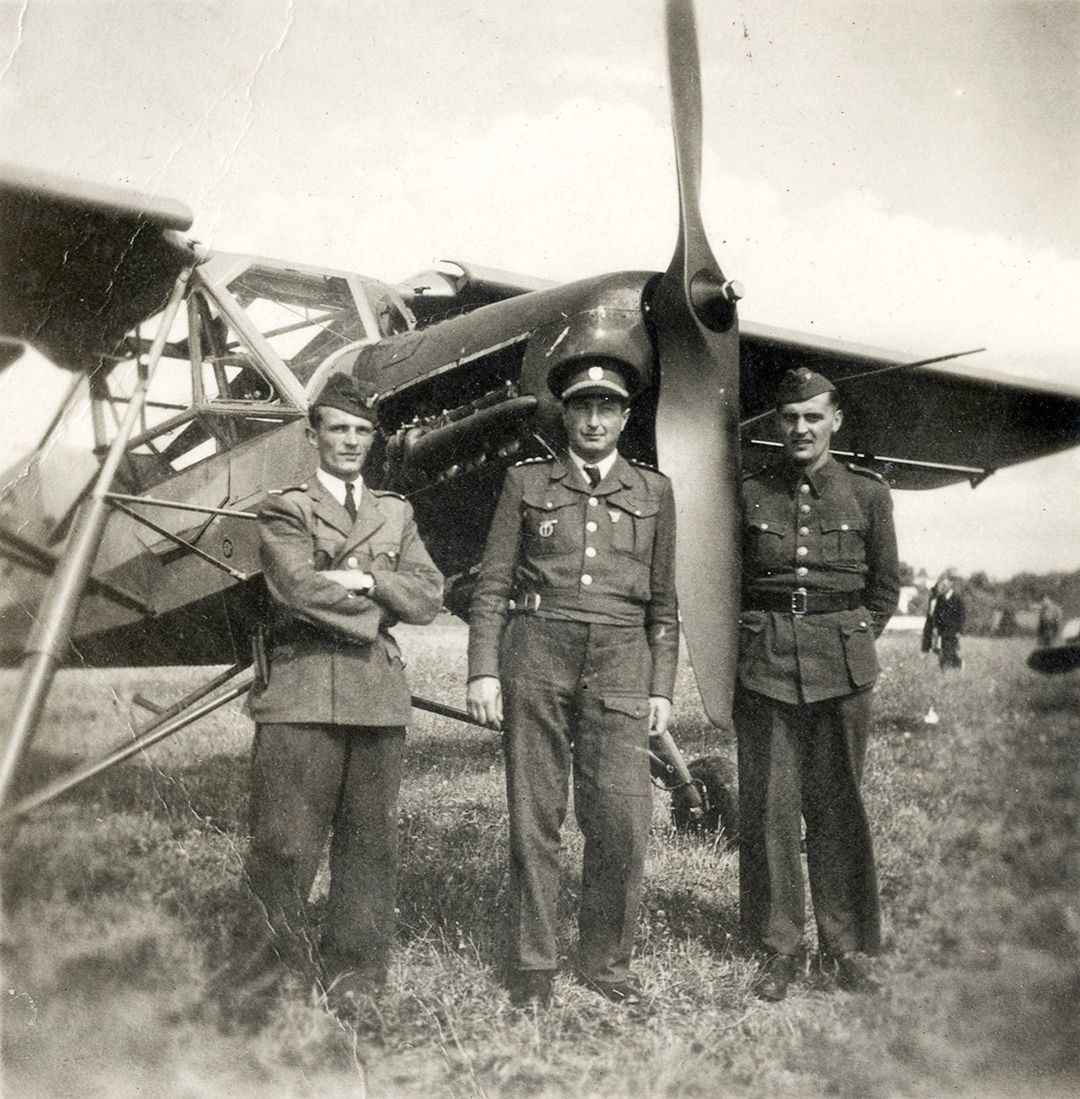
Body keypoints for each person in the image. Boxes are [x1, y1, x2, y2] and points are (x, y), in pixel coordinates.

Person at [223, 372, 443, 1019]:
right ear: (313, 434)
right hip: (302, 692)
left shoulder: (395, 512)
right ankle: (256, 989)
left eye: (360, 431)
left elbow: (428, 594)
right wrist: (379, 603)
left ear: (373, 440)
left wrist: (362, 576)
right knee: (284, 846)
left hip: (376, 699)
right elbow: (295, 588)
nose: (349, 441)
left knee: (368, 849)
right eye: (337, 429)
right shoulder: (285, 508)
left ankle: (356, 984)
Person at [466, 358, 678, 1010]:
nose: (592, 420)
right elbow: (492, 586)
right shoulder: (525, 482)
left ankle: (606, 959)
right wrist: (482, 669)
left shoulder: (655, 492)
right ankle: (535, 964)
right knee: (536, 815)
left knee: (621, 817)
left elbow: (664, 606)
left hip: (621, 661)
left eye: (606, 408)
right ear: (566, 413)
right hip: (537, 653)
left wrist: (662, 687)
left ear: (624, 417)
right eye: (581, 407)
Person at [735, 366, 899, 1002]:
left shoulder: (869, 495)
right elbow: (731, 582)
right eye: (789, 417)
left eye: (812, 416)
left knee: (838, 807)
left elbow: (882, 589)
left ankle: (848, 947)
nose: (800, 428)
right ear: (777, 423)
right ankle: (777, 948)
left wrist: (847, 637)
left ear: (835, 421)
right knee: (770, 811)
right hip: (766, 662)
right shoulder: (751, 493)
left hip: (841, 665)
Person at [930, 570, 965, 670]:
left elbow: (961, 616)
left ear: (950, 584)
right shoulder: (940, 598)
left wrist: (959, 631)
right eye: (942, 584)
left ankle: (958, 664)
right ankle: (945, 669)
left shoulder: (957, 598)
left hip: (953, 630)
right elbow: (936, 614)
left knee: (951, 650)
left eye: (945, 584)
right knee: (940, 650)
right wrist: (935, 627)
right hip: (942, 630)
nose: (943, 586)